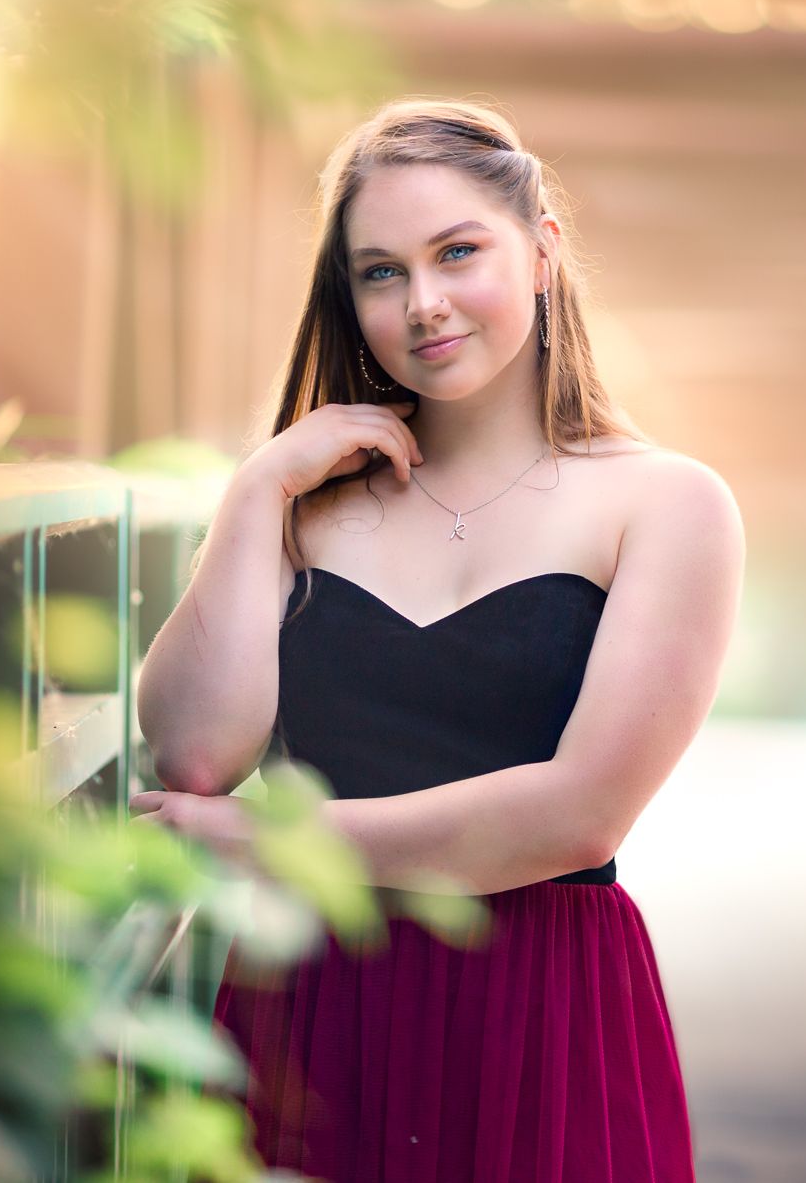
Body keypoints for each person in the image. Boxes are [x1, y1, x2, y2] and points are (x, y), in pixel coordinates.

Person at [128, 96, 744, 1181]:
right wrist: (257, 489)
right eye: (378, 272)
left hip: (544, 1022)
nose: (422, 304)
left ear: (542, 250)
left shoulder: (666, 504)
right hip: (307, 1013)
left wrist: (279, 845)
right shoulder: (305, 503)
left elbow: (578, 815)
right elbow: (194, 758)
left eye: (457, 253)